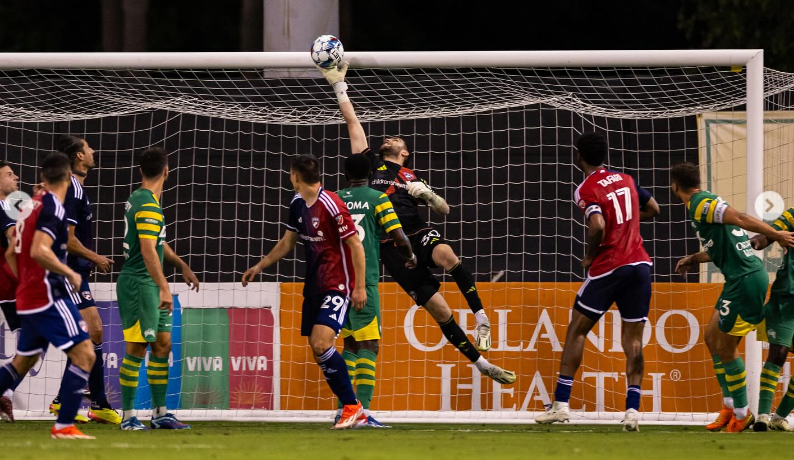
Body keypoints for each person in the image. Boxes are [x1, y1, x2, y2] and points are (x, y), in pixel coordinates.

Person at [319, 62, 515, 385]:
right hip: (391, 249)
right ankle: (481, 364)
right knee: (441, 312)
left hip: (417, 233)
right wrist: (339, 86)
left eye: (398, 140)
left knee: (449, 256)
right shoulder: (371, 166)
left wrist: (428, 194)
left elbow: (446, 209)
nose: (391, 138)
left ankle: (482, 318)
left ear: (405, 153)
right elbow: (353, 124)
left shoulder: (413, 176)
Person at [535, 133, 660, 431]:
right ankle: (632, 412)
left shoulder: (586, 188)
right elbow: (654, 208)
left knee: (576, 330)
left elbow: (598, 225)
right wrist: (628, 222)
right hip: (640, 264)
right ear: (604, 155)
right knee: (633, 340)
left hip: (609, 266)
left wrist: (590, 256)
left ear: (579, 157)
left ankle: (561, 406)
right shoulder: (627, 179)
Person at [243, 154, 370, 429]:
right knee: (317, 347)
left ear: (296, 177)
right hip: (314, 285)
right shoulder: (297, 203)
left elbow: (356, 246)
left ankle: (352, 407)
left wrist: (359, 287)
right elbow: (288, 241)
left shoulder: (332, 204)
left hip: (338, 284)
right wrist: (260, 266)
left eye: (290, 175)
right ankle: (352, 407)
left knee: (322, 343)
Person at [671, 162, 794, 433]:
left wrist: (775, 234)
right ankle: (729, 407)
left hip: (747, 281)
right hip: (738, 279)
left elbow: (739, 218)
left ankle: (743, 412)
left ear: (674, 186)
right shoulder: (704, 204)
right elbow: (724, 247)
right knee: (711, 339)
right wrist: (694, 258)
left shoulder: (700, 203)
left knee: (726, 347)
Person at [0, 152, 96, 439]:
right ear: (68, 177)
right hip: (47, 296)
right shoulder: (52, 205)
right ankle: (64, 425)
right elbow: (39, 250)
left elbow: (10, 251)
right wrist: (70, 274)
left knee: (22, 362)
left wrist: (24, 283)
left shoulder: (28, 207)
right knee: (85, 354)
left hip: (29, 297)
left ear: (43, 177)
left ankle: (64, 424)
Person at [117, 147, 199, 430]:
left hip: (149, 282)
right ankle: (128, 416)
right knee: (137, 348)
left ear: (141, 171)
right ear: (166, 171)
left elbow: (157, 244)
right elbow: (148, 250)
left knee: (162, 345)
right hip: (140, 284)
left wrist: (180, 264)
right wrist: (165, 287)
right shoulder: (149, 205)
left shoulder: (141, 199)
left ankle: (161, 413)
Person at [336, 153, 417, 428]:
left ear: (346, 174)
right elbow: (398, 235)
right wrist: (410, 255)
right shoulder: (378, 198)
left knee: (348, 344)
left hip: (338, 281)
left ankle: (344, 410)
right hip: (365, 280)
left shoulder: (334, 199)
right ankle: (364, 411)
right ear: (370, 174)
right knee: (369, 344)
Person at [49, 136, 119, 425]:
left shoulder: (76, 188)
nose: (93, 151)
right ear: (79, 156)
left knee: (90, 336)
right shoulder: (73, 188)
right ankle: (93, 403)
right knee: (93, 333)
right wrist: (96, 257)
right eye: (89, 148)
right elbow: (67, 238)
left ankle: (70, 401)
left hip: (74, 272)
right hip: (68, 272)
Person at [750, 204, 794, 431]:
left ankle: (780, 417)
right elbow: (773, 231)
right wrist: (759, 241)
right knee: (778, 353)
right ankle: (762, 416)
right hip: (786, 296)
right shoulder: (793, 214)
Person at [0, 161, 19, 422]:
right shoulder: (4, 208)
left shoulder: (12, 206)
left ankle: (6, 396)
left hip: (9, 284)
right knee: (31, 343)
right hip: (9, 284)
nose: (15, 176)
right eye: (8, 174)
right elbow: (14, 239)